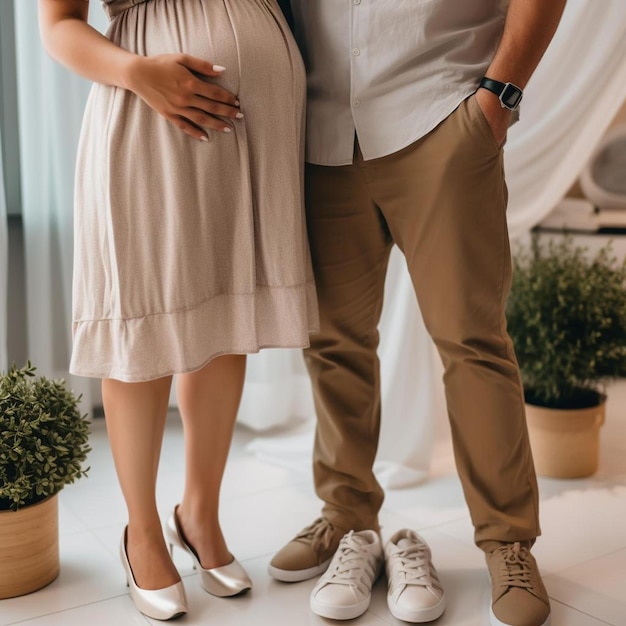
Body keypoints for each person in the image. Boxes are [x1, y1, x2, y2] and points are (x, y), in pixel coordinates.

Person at [269, 1, 567, 625]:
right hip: (321, 127)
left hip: (440, 111)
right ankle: (347, 516)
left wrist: (498, 96)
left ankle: (508, 543)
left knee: (472, 342)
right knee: (332, 342)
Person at [38, 0, 317, 621]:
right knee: (144, 318)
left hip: (257, 126)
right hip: (150, 115)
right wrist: (138, 72)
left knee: (225, 317)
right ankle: (141, 533)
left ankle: (200, 514)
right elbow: (57, 26)